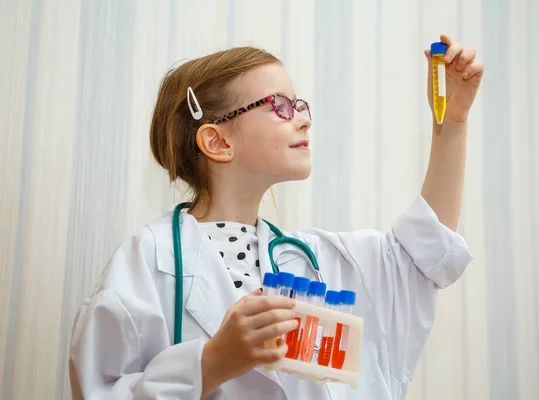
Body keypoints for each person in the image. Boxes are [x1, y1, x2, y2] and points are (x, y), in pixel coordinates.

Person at [69, 34, 484, 399]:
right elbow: (97, 390)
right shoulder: (147, 262)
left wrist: (452, 124)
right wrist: (211, 362)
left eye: (299, 104)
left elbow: (422, 256)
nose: (304, 118)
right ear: (217, 140)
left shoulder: (315, 261)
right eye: (280, 106)